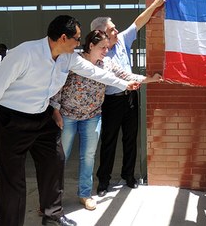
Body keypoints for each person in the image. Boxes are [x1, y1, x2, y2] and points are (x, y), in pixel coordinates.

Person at [0, 15, 139, 226]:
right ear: (63, 37)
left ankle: (52, 216)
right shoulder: (24, 54)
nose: (79, 44)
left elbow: (94, 72)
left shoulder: (68, 57)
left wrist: (124, 84)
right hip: (12, 120)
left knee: (55, 160)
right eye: (77, 39)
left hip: (42, 116)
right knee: (13, 179)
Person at [50, 30, 162, 211]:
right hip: (68, 116)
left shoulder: (107, 63)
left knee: (88, 157)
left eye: (107, 48)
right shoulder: (74, 60)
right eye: (102, 47)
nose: (105, 51)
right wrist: (55, 111)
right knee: (60, 157)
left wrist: (150, 79)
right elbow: (58, 85)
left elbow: (126, 76)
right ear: (91, 45)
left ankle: (85, 195)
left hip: (92, 117)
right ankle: (51, 199)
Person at [91, 0, 167, 196]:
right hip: (111, 101)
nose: (116, 30)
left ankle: (129, 175)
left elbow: (138, 22)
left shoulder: (123, 39)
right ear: (101, 34)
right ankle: (104, 181)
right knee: (109, 141)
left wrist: (156, 4)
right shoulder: (99, 53)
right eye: (111, 29)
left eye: (114, 27)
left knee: (130, 139)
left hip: (130, 99)